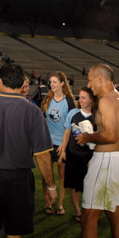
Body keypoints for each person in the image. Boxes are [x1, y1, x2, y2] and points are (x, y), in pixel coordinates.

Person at [0, 63, 57, 238]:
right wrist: (51, 185)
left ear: (0, 81)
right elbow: (42, 155)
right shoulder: (32, 111)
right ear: (23, 82)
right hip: (18, 178)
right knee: (15, 232)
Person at [75, 63, 119, 238]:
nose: (90, 85)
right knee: (114, 214)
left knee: (89, 216)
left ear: (100, 78)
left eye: (90, 81)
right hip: (117, 159)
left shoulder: (107, 100)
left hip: (107, 161)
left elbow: (111, 135)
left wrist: (86, 137)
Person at [58, 86, 97, 223]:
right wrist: (63, 150)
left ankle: (89, 211)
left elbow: (99, 138)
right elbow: (67, 132)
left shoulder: (97, 116)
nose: (80, 100)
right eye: (79, 97)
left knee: (90, 186)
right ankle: (77, 211)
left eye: (84, 97)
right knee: (74, 186)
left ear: (91, 100)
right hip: (73, 155)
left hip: (89, 157)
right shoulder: (73, 113)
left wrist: (94, 157)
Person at [41, 71, 76, 215]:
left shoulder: (69, 101)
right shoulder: (47, 99)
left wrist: (64, 145)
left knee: (62, 176)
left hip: (62, 144)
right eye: (50, 82)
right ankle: (48, 202)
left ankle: (60, 205)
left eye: (55, 82)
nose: (52, 85)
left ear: (62, 83)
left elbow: (72, 125)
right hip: (47, 143)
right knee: (46, 174)